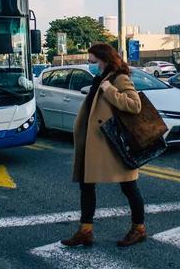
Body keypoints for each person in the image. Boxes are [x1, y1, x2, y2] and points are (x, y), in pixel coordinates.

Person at [61, 43, 146, 248]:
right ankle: (85, 231)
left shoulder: (118, 78)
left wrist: (110, 91)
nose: (90, 65)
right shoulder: (100, 78)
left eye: (93, 61)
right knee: (86, 186)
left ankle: (139, 228)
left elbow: (135, 106)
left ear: (104, 60)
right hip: (93, 143)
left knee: (129, 186)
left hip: (113, 144)